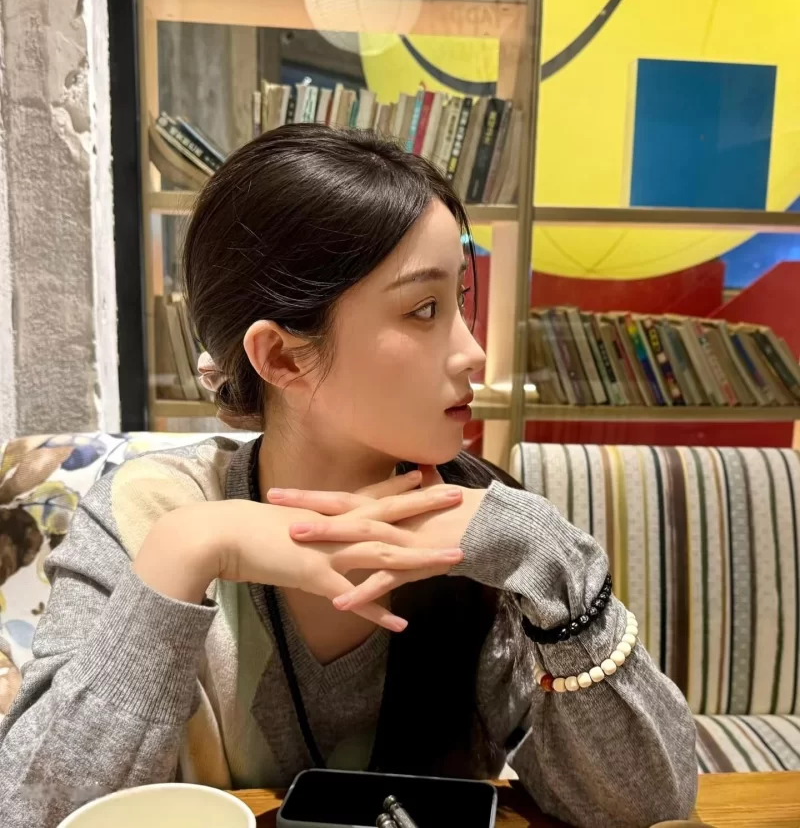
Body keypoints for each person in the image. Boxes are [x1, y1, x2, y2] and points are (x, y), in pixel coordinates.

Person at [0, 125, 697, 827]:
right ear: (282, 357)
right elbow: (31, 811)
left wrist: (550, 556)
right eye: (423, 309)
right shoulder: (145, 513)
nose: (473, 352)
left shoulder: (486, 528)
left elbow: (648, 804)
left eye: (458, 300)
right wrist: (187, 551)